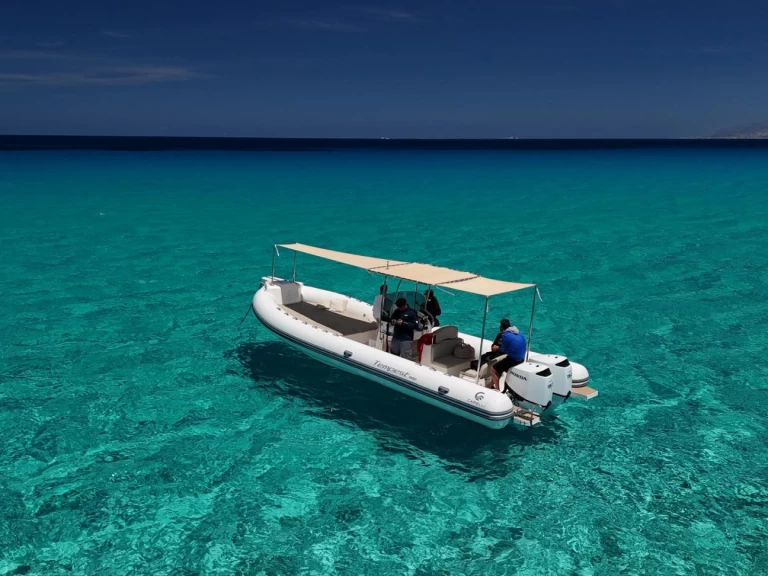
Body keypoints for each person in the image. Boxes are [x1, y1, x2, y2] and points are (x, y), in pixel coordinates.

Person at [490, 324, 527, 391]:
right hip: (521, 359)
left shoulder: (505, 335)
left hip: (513, 359)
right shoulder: (519, 332)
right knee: (500, 368)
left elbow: (503, 350)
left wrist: (497, 348)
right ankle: (490, 385)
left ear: (502, 329)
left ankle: (498, 390)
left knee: (494, 369)